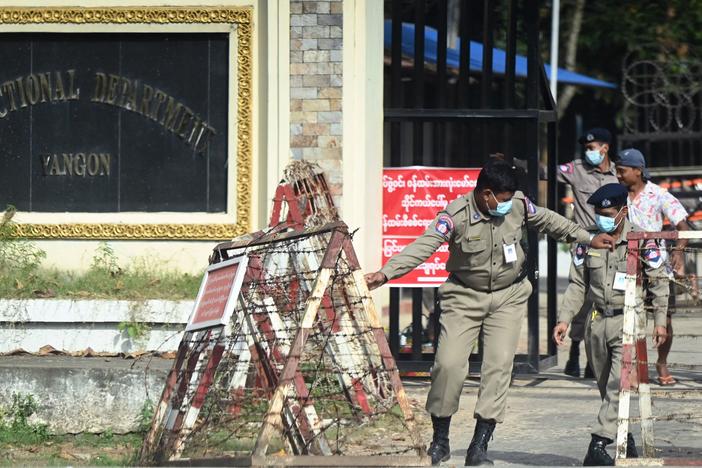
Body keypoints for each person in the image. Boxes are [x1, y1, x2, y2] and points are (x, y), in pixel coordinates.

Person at [364, 159, 615, 466]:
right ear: (486, 194)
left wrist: (589, 237)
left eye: (511, 198)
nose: (508, 205)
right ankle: (440, 440)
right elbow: (423, 246)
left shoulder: (520, 205)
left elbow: (552, 222)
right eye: (503, 199)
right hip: (464, 295)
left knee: (498, 367)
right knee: (448, 364)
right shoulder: (455, 216)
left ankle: (479, 446)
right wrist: (386, 274)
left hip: (508, 297)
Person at [553, 183, 669, 466]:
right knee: (608, 388)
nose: (602, 218)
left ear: (623, 212)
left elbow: (659, 282)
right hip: (597, 322)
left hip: (629, 320)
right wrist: (564, 319)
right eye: (599, 213)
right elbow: (577, 284)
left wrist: (660, 321)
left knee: (620, 385)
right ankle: (624, 438)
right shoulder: (587, 241)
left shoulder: (641, 240)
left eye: (607, 213)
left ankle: (597, 445)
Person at [615, 148, 690, 386]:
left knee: (664, 318)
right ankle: (635, 366)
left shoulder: (659, 195)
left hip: (657, 267)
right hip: (626, 266)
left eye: (622, 171)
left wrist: (678, 251)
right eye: (616, 170)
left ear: (638, 171)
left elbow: (683, 226)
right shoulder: (617, 196)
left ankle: (662, 362)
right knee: (631, 316)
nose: (618, 175)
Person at [557, 127, 619, 378]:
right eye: (586, 148)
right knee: (582, 299)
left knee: (603, 298)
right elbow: (548, 174)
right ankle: (574, 350)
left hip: (613, 244)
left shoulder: (619, 173)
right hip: (586, 241)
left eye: (592, 148)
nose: (588, 152)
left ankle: (595, 360)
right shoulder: (577, 169)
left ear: (605, 148)